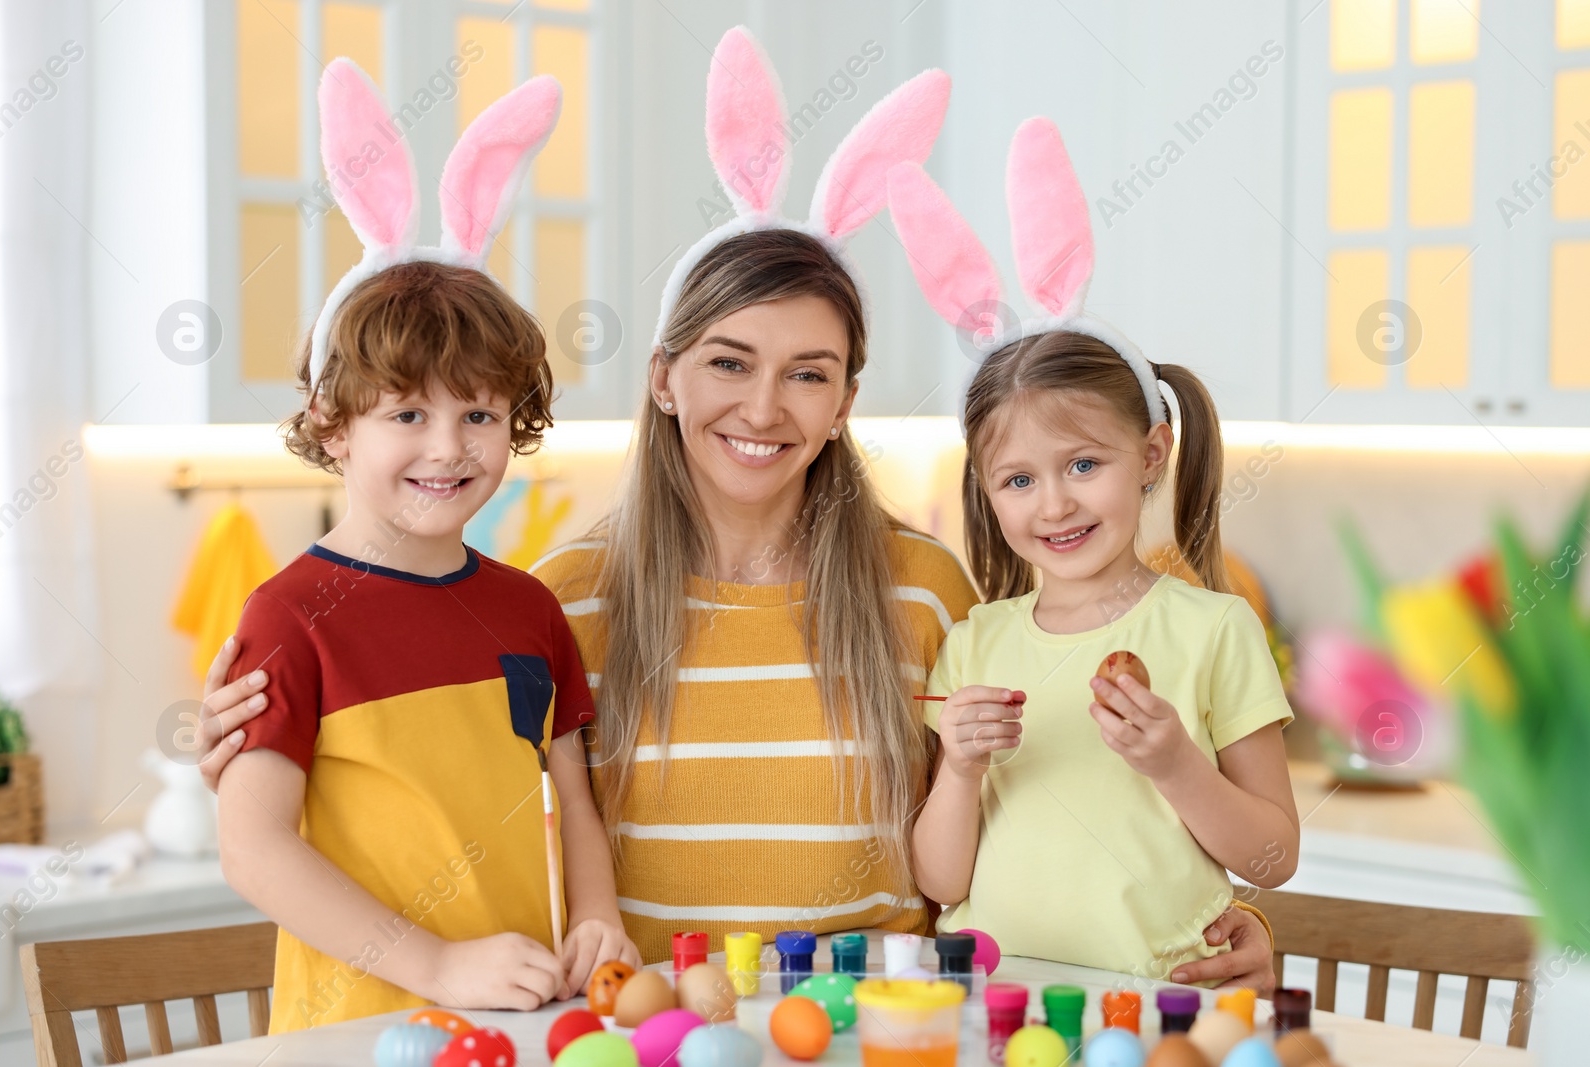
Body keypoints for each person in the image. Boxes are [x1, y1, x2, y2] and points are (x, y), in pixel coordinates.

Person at [196, 37, 1281, 994]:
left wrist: (1220, 922)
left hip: (887, 1027)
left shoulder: (932, 589)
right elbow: (443, 796)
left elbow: (1040, 818)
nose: (763, 408)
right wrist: (265, 725)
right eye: (728, 363)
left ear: (846, 398)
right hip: (654, 1027)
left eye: (808, 374)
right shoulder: (564, 598)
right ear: (665, 377)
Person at [214, 61, 637, 1033]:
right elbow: (255, 849)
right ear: (331, 425)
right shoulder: (287, 617)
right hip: (356, 1030)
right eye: (407, 410)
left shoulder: (528, 608)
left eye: (480, 412)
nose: (448, 447)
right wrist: (435, 963)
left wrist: (599, 916)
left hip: (523, 1015)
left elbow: (572, 794)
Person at [894, 118, 1298, 985]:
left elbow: (1272, 857)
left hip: (1159, 1007)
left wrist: (1175, 763)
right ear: (986, 491)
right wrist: (958, 768)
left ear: (1150, 456)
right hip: (993, 1007)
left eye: (1084, 463)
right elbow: (941, 879)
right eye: (1019, 479)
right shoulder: (975, 641)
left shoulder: (1217, 629)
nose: (1057, 503)